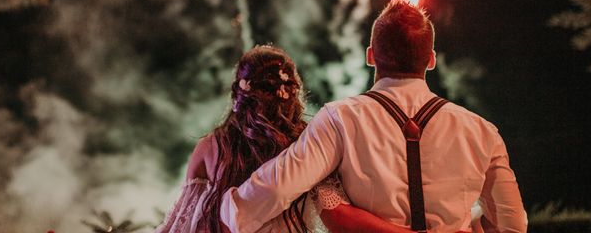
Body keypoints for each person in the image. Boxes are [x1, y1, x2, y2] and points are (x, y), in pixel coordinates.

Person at [220, 0, 528, 233]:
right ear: (431, 60)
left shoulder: (339, 119)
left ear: (371, 55)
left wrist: (232, 210)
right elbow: (513, 224)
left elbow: (276, 187)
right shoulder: (482, 131)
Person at [156, 45, 412, 233]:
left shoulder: (211, 148)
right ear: (292, 93)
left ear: (239, 94)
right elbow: (338, 214)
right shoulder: (310, 144)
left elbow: (183, 224)